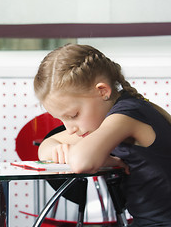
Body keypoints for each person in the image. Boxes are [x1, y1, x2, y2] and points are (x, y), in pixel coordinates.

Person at [34, 44, 171, 226]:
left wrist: (101, 159)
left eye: (73, 115)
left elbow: (83, 162)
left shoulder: (125, 116)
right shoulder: (110, 117)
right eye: (62, 120)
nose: (70, 129)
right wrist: (107, 159)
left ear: (102, 91)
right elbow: (46, 147)